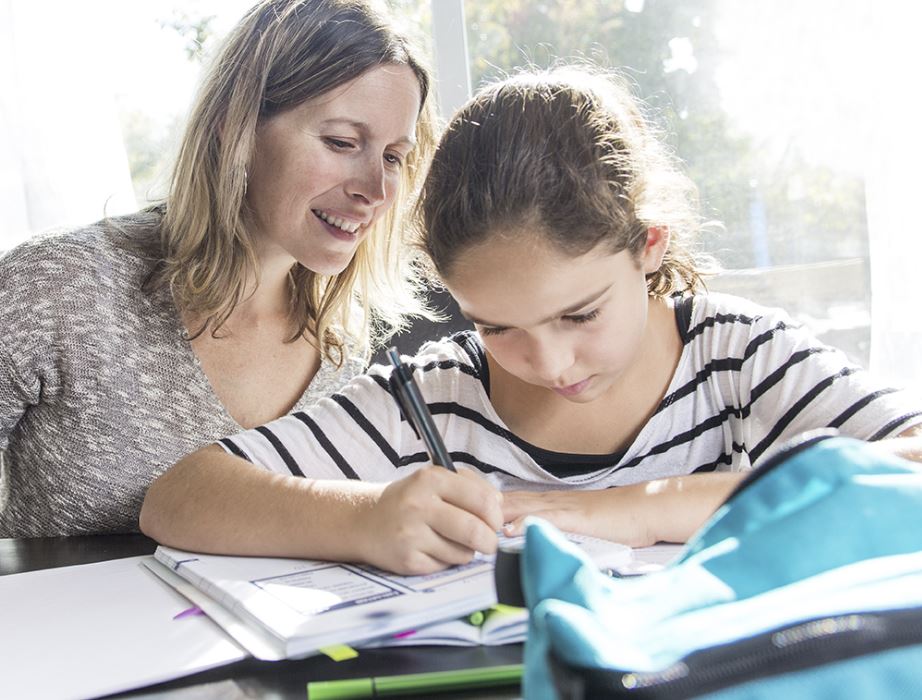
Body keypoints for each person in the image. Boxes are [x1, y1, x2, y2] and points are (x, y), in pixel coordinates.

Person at [141, 65, 922, 574]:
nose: (550, 363)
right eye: (497, 327)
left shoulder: (739, 358)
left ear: (648, 246)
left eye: (579, 313)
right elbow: (177, 498)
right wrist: (366, 518)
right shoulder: (436, 396)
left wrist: (633, 510)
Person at [0, 0, 439, 538]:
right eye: (342, 143)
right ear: (238, 130)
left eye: (394, 156)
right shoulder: (60, 285)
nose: (374, 189)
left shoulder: (345, 349)